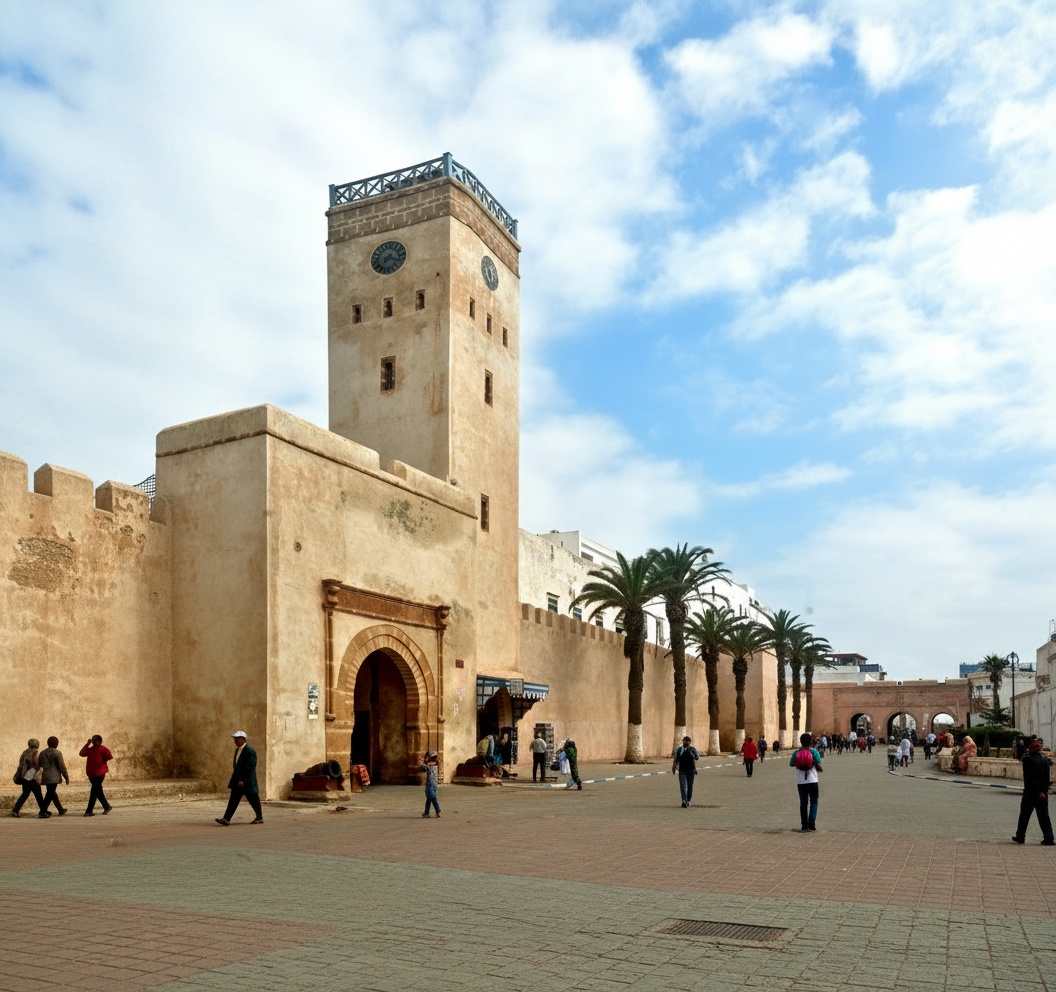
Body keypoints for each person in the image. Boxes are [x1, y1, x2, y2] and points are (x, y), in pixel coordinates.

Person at [215, 731, 262, 825]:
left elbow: (250, 767)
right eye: (235, 739)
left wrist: (242, 779)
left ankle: (259, 817)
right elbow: (236, 765)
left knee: (253, 799)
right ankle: (226, 818)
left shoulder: (250, 750)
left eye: (238, 738)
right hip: (238, 780)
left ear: (244, 739)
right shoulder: (238, 750)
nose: (236, 741)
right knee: (234, 799)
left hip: (247, 781)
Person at [1013, 738, 1053, 846]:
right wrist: (1044, 791)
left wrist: (1041, 791)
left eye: (1039, 743)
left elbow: (1034, 777)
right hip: (1038, 792)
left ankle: (1022, 836)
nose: (1038, 744)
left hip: (1032, 792)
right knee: (1040, 815)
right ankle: (1047, 837)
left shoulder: (1031, 759)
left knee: (1031, 815)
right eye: (1036, 743)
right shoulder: (1041, 759)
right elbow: (1046, 778)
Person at [790, 732, 823, 832]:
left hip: (801, 781)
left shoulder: (796, 753)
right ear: (810, 742)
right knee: (814, 801)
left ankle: (804, 825)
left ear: (801, 742)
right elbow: (819, 764)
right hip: (813, 780)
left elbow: (791, 764)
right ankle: (812, 823)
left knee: (803, 803)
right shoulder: (814, 752)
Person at [10, 738, 46, 818]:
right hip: (32, 777)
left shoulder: (25, 752)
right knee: (38, 795)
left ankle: (15, 810)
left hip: (25, 777)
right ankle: (43, 812)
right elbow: (35, 764)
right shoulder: (35, 752)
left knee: (25, 794)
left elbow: (22, 765)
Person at [79, 735, 114, 816]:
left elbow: (109, 756)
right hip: (91, 774)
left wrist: (101, 762)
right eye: (93, 740)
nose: (94, 742)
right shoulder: (90, 750)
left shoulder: (103, 749)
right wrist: (87, 744)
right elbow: (81, 753)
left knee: (94, 792)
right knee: (98, 791)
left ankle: (89, 811)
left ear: (100, 741)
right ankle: (107, 806)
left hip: (100, 773)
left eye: (96, 740)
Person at [37, 737, 70, 817]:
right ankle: (42, 811)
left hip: (46, 776)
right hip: (54, 777)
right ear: (56, 744)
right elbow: (62, 766)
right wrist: (66, 777)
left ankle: (60, 809)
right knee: (50, 793)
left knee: (52, 792)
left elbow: (38, 764)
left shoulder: (42, 753)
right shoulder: (57, 753)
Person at [672, 736, 699, 805]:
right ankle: (684, 800)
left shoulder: (692, 749)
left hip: (691, 770)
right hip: (682, 770)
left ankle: (688, 800)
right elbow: (676, 759)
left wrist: (690, 753)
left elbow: (697, 757)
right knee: (682, 785)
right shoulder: (680, 749)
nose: (686, 742)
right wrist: (674, 767)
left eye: (688, 741)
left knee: (690, 786)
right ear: (683, 741)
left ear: (690, 742)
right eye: (685, 741)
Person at [420, 750, 441, 818]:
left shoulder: (430, 765)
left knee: (432, 797)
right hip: (433, 783)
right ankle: (428, 812)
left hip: (431, 783)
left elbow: (422, 767)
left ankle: (437, 809)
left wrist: (425, 762)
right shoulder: (435, 764)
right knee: (429, 798)